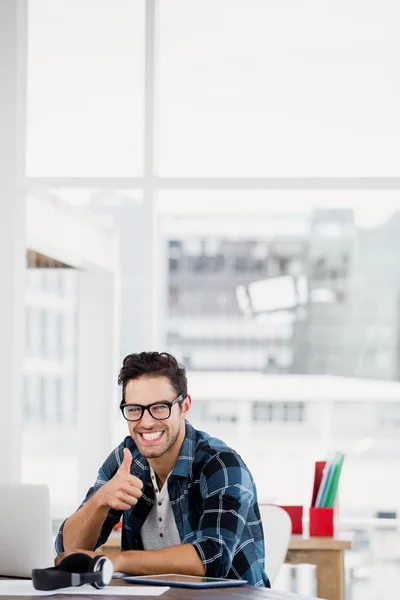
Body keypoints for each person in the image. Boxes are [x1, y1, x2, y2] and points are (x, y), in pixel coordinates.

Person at [55, 352, 269, 587]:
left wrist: (117, 561)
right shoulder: (127, 458)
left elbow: (213, 558)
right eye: (135, 409)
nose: (146, 422)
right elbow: (69, 551)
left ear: (184, 407)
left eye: (159, 407)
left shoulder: (221, 464)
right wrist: (100, 500)